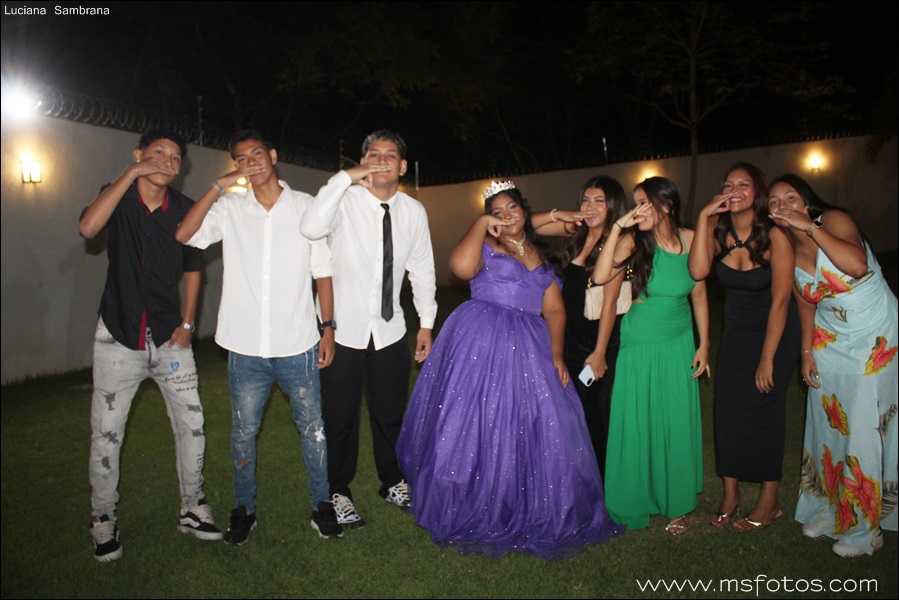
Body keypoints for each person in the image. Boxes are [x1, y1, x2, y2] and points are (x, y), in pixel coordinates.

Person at [396, 181, 624, 558]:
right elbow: (460, 267)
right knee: (477, 420)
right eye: (496, 211)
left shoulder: (541, 254)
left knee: (534, 422)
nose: (505, 216)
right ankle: (470, 496)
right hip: (482, 342)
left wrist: (555, 354)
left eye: (512, 208)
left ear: (524, 209)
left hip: (530, 347)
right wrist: (482, 223)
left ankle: (524, 500)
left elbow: (555, 310)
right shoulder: (487, 244)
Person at [175, 129, 341, 544]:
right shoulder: (230, 208)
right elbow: (184, 234)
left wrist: (328, 328)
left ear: (273, 155)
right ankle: (244, 509)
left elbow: (323, 273)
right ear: (237, 165)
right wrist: (218, 186)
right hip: (246, 347)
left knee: (313, 428)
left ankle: (322, 505)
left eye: (257, 154)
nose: (251, 162)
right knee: (243, 433)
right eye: (242, 158)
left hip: (298, 342)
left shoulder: (304, 206)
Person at [79, 130, 222, 562]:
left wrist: (188, 322)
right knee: (107, 433)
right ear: (139, 154)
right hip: (117, 335)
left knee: (192, 426)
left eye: (175, 157)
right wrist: (130, 174)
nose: (168, 161)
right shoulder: (118, 196)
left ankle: (192, 506)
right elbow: (88, 227)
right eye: (158, 152)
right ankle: (103, 518)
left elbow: (195, 266)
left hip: (169, 337)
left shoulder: (184, 209)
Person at [299, 130, 437, 529]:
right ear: (362, 162)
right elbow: (310, 227)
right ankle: (337, 490)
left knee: (391, 413)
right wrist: (346, 177)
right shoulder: (343, 200)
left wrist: (426, 323)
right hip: (341, 331)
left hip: (390, 330)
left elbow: (422, 269)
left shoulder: (414, 211)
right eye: (372, 154)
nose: (381, 160)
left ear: (403, 166)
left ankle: (392, 481)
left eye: (389, 155)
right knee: (339, 416)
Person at [768, 174, 897, 557]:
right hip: (829, 337)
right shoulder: (785, 244)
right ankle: (826, 512)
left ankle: (866, 529)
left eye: (790, 197)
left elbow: (856, 266)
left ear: (806, 201)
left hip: (875, 333)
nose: (782, 205)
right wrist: (806, 352)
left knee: (862, 423)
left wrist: (810, 227)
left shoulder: (834, 220)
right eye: (773, 201)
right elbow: (804, 301)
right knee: (827, 422)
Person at [593, 176, 710, 534]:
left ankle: (676, 504)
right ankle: (635, 497)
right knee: (638, 420)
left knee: (674, 419)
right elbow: (600, 276)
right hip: (640, 343)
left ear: (666, 205)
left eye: (644, 203)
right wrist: (618, 227)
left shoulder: (691, 239)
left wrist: (704, 344)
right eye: (635, 203)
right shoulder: (633, 241)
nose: (637, 210)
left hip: (678, 341)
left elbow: (699, 294)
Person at [688, 163, 800, 531]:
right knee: (727, 410)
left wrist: (768, 358)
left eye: (744, 184)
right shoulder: (718, 231)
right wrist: (704, 217)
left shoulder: (775, 236)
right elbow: (698, 271)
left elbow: (781, 301)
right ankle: (731, 493)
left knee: (766, 410)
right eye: (728, 184)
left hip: (775, 331)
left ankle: (770, 501)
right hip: (736, 332)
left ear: (758, 192)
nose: (735, 190)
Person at [531, 176, 628, 478]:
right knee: (570, 414)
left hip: (596, 343)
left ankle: (602, 482)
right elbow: (525, 226)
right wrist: (560, 214)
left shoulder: (618, 243)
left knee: (595, 415)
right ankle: (576, 477)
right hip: (569, 339)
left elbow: (610, 303)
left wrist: (599, 353)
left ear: (613, 206)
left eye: (599, 201)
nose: (590, 207)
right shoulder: (575, 232)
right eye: (585, 200)